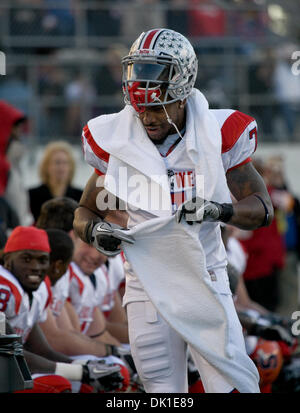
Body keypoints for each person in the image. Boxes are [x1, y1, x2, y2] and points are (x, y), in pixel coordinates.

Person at [73, 28, 274, 393]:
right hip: (146, 284)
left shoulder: (219, 132)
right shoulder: (117, 139)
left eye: (158, 107)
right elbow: (84, 211)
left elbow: (263, 209)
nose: (147, 118)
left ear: (182, 95)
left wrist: (217, 210)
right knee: (162, 394)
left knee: (233, 385)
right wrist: (95, 232)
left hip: (207, 277)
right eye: (141, 108)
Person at [0, 226, 123, 393]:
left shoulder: (38, 291)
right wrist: (79, 371)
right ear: (7, 259)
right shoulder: (4, 288)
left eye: (42, 260)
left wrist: (86, 367)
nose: (36, 267)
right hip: (6, 370)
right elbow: (7, 354)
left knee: (98, 379)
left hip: (10, 371)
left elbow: (42, 349)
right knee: (56, 385)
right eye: (26, 259)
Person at [29, 141, 82, 222]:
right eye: (57, 162)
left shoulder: (81, 196)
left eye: (65, 163)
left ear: (71, 167)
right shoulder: (31, 196)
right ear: (46, 166)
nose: (61, 167)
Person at [0, 100, 34, 226]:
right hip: (9, 238)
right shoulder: (3, 165)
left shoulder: (11, 160)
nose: (20, 130)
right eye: (15, 125)